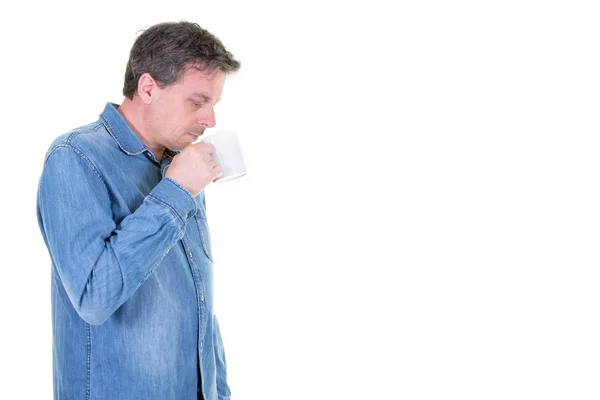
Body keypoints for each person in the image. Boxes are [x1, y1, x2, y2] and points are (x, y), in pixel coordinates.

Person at [36, 21, 241, 400]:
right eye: (197, 102)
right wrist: (176, 192)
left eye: (214, 105)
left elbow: (201, 309)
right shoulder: (75, 158)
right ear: (148, 88)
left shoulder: (180, 166)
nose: (210, 120)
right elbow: (94, 297)